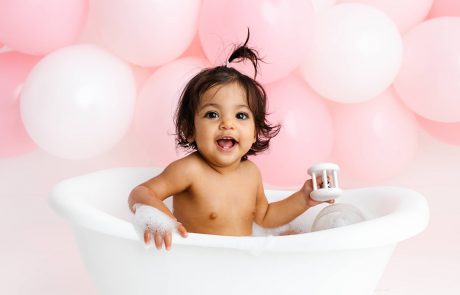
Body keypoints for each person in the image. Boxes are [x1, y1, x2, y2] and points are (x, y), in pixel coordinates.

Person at [128, 32, 334, 251]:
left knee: (294, 239)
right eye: (212, 114)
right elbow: (140, 193)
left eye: (241, 116)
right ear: (190, 130)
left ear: (255, 133)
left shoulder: (250, 173)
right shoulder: (189, 171)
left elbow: (265, 217)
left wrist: (303, 198)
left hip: (240, 265)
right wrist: (164, 221)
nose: (227, 123)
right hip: (200, 264)